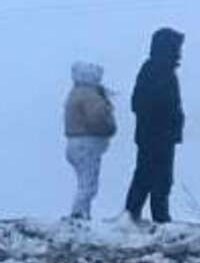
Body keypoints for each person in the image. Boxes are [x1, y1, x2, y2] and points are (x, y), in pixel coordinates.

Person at [125, 27, 185, 225]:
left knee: (159, 177)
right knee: (149, 176)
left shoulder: (163, 71)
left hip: (161, 136)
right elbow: (139, 103)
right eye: (176, 47)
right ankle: (147, 216)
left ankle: (149, 215)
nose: (179, 51)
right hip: (154, 135)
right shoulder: (153, 70)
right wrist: (167, 119)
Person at [63, 62, 117, 220]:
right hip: (87, 143)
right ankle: (78, 214)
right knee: (88, 183)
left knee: (85, 182)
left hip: (76, 143)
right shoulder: (89, 95)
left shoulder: (75, 93)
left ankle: (83, 213)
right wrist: (109, 127)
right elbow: (97, 117)